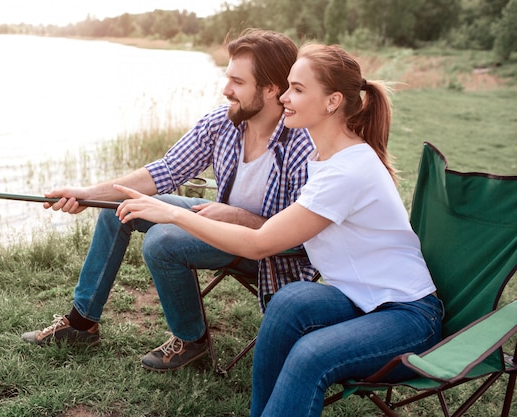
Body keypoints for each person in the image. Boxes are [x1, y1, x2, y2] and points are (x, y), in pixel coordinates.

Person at [114, 42, 443, 416]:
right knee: (289, 302)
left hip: (407, 317)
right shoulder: (324, 156)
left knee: (310, 355)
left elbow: (258, 244)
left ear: (333, 101)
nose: (285, 97)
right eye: (288, 86)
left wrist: (173, 214)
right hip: (357, 298)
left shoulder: (347, 170)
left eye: (298, 90)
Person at [21, 28, 317, 373]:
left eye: (238, 81)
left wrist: (234, 216)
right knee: (124, 206)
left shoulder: (302, 145)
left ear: (270, 89)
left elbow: (301, 236)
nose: (226, 90)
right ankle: (82, 323)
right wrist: (87, 194)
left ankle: (191, 340)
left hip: (270, 252)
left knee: (163, 241)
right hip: (216, 222)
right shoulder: (223, 123)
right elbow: (163, 171)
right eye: (228, 78)